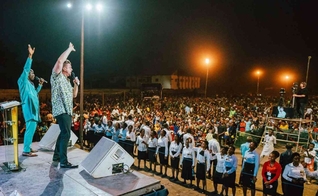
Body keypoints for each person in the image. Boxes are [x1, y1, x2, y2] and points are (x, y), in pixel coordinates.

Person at [51, 42, 79, 168]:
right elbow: (59, 60)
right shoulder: (57, 76)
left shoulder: (67, 82)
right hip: (61, 109)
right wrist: (69, 49)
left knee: (63, 133)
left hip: (67, 111)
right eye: (70, 67)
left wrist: (76, 84)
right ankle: (63, 161)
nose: (71, 69)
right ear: (64, 68)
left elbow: (74, 95)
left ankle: (57, 157)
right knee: (66, 134)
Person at [18, 44, 45, 157]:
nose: (33, 74)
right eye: (32, 72)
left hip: (34, 110)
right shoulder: (23, 82)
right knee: (29, 130)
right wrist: (30, 56)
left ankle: (28, 147)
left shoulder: (31, 85)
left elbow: (34, 94)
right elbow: (25, 70)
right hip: (29, 109)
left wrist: (40, 86)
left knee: (32, 130)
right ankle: (25, 150)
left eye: (34, 73)